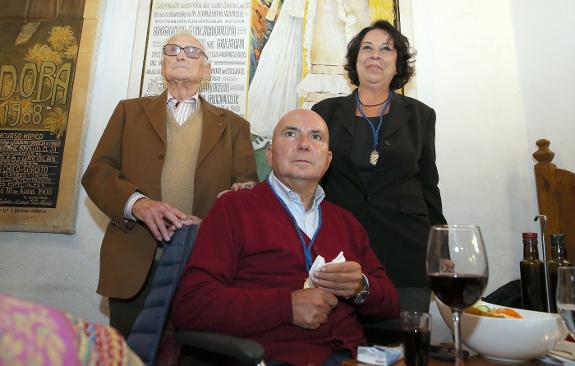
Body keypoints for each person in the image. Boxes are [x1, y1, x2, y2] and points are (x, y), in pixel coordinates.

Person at [172, 109, 399, 366]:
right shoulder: (234, 209)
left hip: (351, 358)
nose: (303, 144)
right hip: (270, 358)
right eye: (291, 134)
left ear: (327, 160)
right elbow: (191, 305)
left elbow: (390, 303)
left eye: (316, 137)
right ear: (270, 154)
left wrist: (361, 287)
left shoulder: (346, 222)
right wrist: (285, 307)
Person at [82, 31, 258, 338]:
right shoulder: (128, 111)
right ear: (162, 64)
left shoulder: (234, 126)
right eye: (172, 49)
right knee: (130, 354)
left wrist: (241, 196)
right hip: (135, 262)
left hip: (204, 263)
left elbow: (247, 186)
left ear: (207, 71)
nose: (180, 55)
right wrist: (137, 203)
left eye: (192, 51)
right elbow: (97, 173)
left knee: (196, 355)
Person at [311, 20, 447, 312]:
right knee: (339, 343)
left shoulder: (421, 116)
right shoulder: (323, 113)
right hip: (340, 249)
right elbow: (309, 180)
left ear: (398, 64)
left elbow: (428, 185)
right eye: (367, 48)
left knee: (404, 344)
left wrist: (441, 248)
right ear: (355, 60)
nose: (375, 55)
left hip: (406, 249)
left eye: (386, 49)